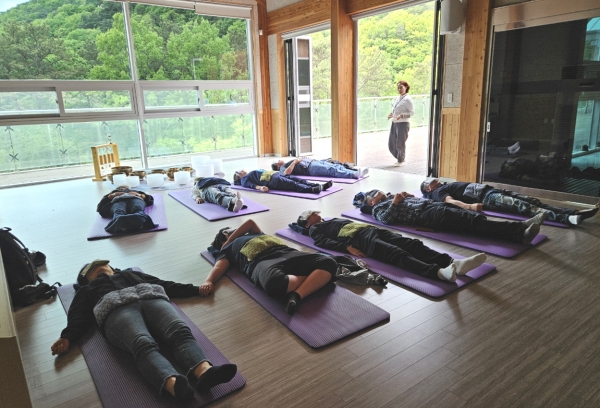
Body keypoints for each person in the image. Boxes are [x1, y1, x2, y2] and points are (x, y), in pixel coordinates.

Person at [50, 260, 237, 401]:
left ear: (111, 267)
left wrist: (196, 290)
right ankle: (172, 384)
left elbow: (164, 284)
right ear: (86, 278)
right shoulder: (87, 289)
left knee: (179, 331)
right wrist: (67, 337)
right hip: (116, 310)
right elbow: (78, 315)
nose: (97, 266)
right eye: (91, 269)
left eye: (101, 264)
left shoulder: (131, 274)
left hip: (152, 299)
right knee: (142, 343)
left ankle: (204, 372)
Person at [296, 210, 487, 283]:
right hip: (359, 239)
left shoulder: (328, 220)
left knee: (412, 243)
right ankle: (437, 273)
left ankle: (454, 263)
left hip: (371, 230)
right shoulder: (314, 229)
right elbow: (321, 242)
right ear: (307, 222)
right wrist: (347, 248)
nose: (316, 213)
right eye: (312, 213)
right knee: (395, 253)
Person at [203, 219, 337, 315]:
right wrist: (209, 281)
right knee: (275, 283)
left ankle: (296, 295)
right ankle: (314, 279)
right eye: (229, 232)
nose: (235, 231)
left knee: (329, 261)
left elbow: (250, 222)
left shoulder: (254, 232)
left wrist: (230, 238)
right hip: (262, 262)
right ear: (223, 240)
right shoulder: (227, 249)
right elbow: (218, 268)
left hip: (287, 252)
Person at [358, 190, 544, 245]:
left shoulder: (392, 197)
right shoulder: (378, 209)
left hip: (432, 206)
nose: (379, 192)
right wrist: (395, 203)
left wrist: (407, 196)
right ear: (371, 202)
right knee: (471, 222)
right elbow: (386, 219)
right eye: (374, 194)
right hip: (426, 216)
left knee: (472, 218)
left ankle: (519, 231)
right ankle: (520, 231)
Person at [420, 179, 599, 226]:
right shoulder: (437, 192)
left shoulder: (443, 185)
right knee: (526, 207)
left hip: (492, 190)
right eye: (429, 181)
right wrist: (470, 207)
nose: (433, 179)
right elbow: (451, 201)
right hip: (487, 198)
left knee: (532, 200)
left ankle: (571, 212)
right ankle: (566, 219)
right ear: (428, 188)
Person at [233, 169, 332, 194]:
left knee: (298, 179)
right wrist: (261, 188)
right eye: (241, 171)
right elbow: (252, 185)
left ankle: (319, 186)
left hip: (275, 174)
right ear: (239, 175)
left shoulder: (247, 175)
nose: (243, 170)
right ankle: (312, 189)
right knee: (292, 184)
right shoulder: (244, 180)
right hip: (272, 180)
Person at [387, 80, 415, 166]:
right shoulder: (398, 98)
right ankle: (400, 157)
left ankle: (400, 160)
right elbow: (397, 110)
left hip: (403, 124)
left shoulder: (408, 99)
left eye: (401, 87)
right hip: (395, 122)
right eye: (398, 88)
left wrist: (402, 116)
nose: (399, 89)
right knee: (391, 143)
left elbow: (412, 113)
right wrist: (392, 114)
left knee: (400, 143)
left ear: (406, 87)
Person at [271, 157, 369, 179]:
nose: (280, 160)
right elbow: (286, 173)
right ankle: (353, 175)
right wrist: (295, 161)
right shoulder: (282, 168)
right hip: (310, 168)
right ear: (277, 165)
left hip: (313, 162)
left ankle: (356, 172)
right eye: (278, 161)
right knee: (331, 170)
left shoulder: (286, 163)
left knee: (336, 166)